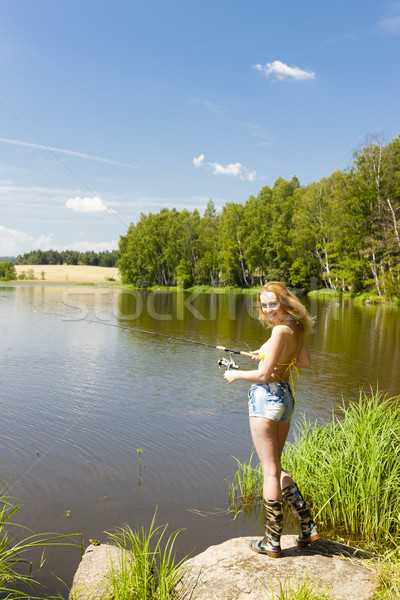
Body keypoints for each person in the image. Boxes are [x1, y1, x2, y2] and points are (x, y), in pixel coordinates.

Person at [224, 281, 320, 558]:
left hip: (267, 399)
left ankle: (272, 542)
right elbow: (303, 362)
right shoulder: (296, 327)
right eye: (264, 305)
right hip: (286, 399)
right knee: (276, 466)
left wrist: (238, 374)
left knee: (269, 471)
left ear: (284, 301)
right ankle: (307, 527)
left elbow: (264, 376)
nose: (268, 310)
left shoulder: (279, 329)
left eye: (272, 304)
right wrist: (265, 354)